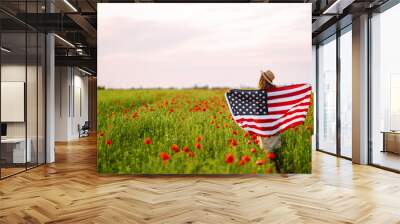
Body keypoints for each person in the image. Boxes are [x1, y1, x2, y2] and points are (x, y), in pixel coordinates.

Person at [257, 70, 281, 152]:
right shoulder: (276, 92)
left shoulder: (259, 94)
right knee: (274, 149)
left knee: (267, 150)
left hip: (264, 126)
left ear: (262, 79)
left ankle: (270, 164)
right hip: (274, 124)